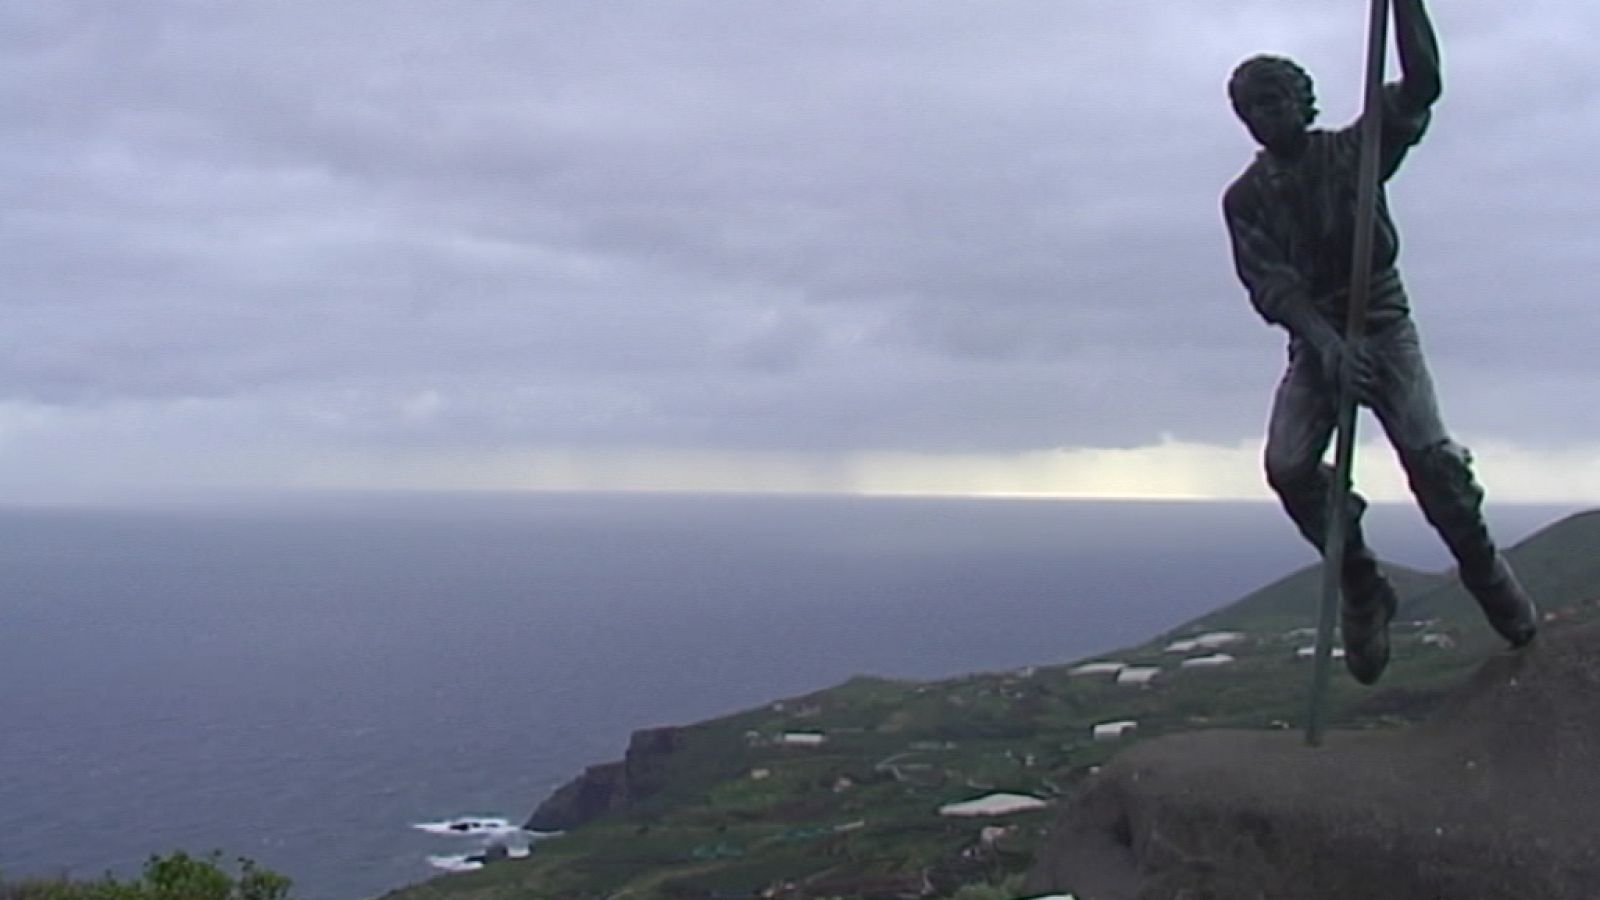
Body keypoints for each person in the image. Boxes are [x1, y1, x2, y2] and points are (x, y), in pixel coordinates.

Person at [1221, 0, 1537, 684]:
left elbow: (1422, 83)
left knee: (1435, 469)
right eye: (1251, 109)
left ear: (1303, 101)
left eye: (1274, 100)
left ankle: (1485, 574)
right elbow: (1272, 287)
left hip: (1385, 328)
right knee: (1289, 467)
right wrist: (1329, 345)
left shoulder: (1354, 151)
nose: (1264, 116)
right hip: (1317, 342)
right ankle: (1363, 586)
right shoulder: (1245, 199)